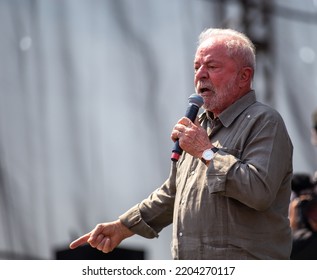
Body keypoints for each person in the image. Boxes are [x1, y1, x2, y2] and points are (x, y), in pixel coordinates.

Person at [69, 28, 293, 259]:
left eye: (212, 67)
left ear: (244, 76)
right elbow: (174, 194)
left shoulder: (264, 121)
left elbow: (258, 191)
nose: (200, 75)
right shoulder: (199, 127)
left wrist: (207, 152)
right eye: (197, 67)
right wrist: (123, 227)